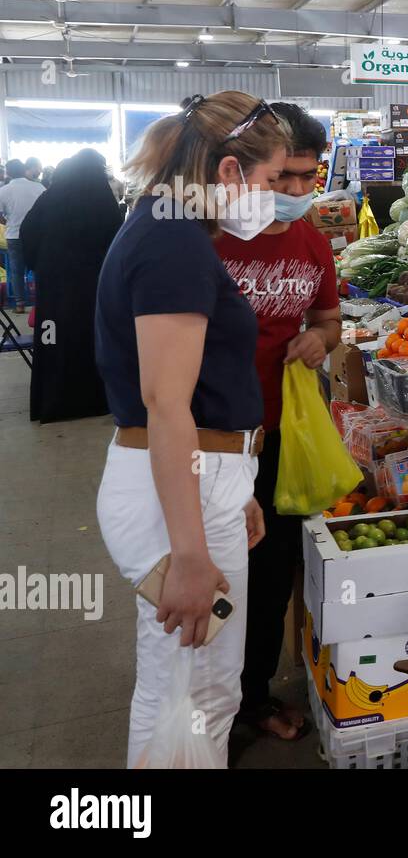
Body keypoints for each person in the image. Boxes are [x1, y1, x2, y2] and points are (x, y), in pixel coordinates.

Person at [95, 91, 287, 767]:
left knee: (195, 683)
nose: (271, 198)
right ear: (229, 172)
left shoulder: (163, 227)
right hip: (179, 491)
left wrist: (238, 490)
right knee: (190, 687)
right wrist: (191, 551)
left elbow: (195, 396)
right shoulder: (172, 243)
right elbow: (165, 403)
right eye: (267, 182)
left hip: (201, 481)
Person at [215, 101, 339, 742]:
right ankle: (210, 710)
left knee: (267, 578)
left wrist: (320, 342)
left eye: (306, 178)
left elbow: (327, 321)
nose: (292, 192)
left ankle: (253, 696)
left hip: (281, 437)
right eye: (282, 176)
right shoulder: (207, 239)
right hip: (210, 442)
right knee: (216, 577)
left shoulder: (313, 242)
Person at [20, 149, 122, 422]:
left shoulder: (51, 195)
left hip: (54, 281)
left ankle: (52, 401)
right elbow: (116, 237)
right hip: (91, 283)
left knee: (51, 338)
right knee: (88, 337)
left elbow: (27, 231)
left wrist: (39, 263)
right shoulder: (102, 198)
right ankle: (91, 400)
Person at [0, 157, 45, 312]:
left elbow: (0, 214)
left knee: (16, 271)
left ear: (9, 173)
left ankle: (19, 304)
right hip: (37, 235)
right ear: (24, 169)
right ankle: (41, 301)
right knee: (39, 268)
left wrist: (8, 220)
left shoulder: (3, 191)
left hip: (14, 235)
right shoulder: (39, 188)